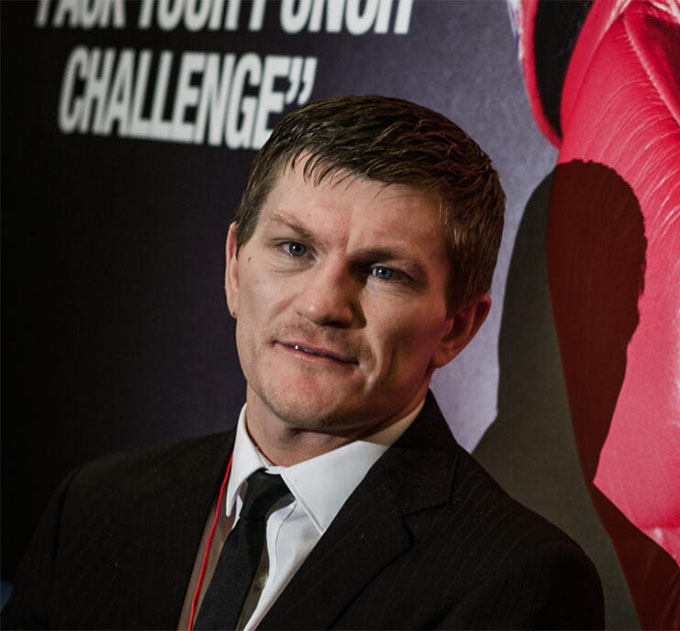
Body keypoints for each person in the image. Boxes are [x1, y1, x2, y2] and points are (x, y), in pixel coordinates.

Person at [1, 95, 604, 630]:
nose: (321, 305)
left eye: (383, 272)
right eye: (294, 248)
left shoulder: (516, 583)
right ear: (234, 267)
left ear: (458, 327)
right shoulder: (95, 507)